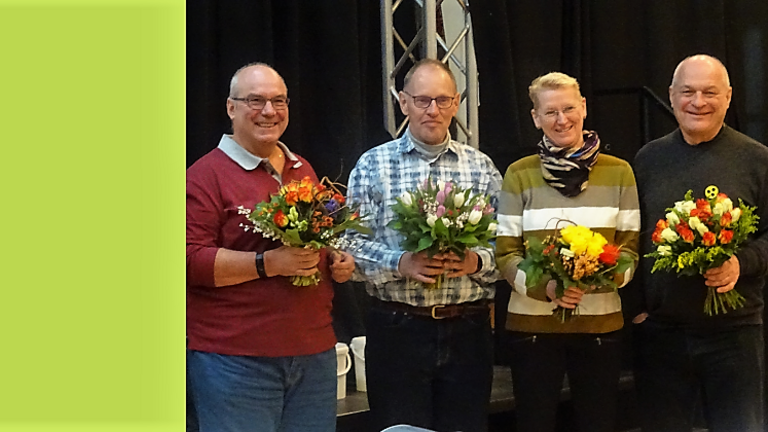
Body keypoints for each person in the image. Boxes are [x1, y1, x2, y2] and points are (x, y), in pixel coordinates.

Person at [186, 63, 356, 432]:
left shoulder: (302, 169)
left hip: (313, 353)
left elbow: (313, 242)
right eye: (255, 100)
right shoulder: (204, 176)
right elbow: (188, 260)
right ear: (231, 108)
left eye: (278, 101)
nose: (269, 111)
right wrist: (267, 264)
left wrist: (334, 259)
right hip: (236, 361)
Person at [345, 59, 502, 432]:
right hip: (398, 328)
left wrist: (476, 262)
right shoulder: (373, 165)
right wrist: (401, 263)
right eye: (422, 99)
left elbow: (510, 247)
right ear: (403, 102)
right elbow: (347, 245)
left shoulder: (481, 168)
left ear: (457, 103)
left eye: (443, 100)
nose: (433, 109)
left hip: (468, 329)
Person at [495, 72, 640, 432]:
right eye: (550, 112)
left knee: (598, 423)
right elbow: (506, 252)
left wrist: (593, 277)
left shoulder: (620, 172)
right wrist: (547, 288)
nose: (562, 120)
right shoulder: (519, 174)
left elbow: (630, 249)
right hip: (533, 329)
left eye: (569, 108)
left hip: (600, 326)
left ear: (584, 108)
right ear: (535, 118)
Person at [633, 54, 768, 432]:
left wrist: (742, 262)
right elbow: (633, 237)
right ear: (672, 96)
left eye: (710, 92)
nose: (698, 102)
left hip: (734, 336)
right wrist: (640, 310)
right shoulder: (648, 160)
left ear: (728, 96)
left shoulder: (758, 160)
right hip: (662, 335)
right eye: (688, 91)